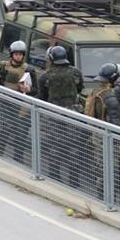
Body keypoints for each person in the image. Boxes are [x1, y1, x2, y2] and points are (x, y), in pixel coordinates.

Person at [38, 45, 84, 186]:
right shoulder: (76, 73)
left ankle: (55, 175)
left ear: (51, 58)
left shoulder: (45, 76)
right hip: (73, 113)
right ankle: (74, 180)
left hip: (54, 114)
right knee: (74, 146)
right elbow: (79, 88)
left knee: (55, 145)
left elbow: (43, 96)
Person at [0, 40, 37, 161]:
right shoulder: (1, 66)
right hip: (5, 103)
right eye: (16, 54)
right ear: (12, 54)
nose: (18, 56)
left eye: (20, 54)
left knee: (21, 133)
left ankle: (18, 158)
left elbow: (36, 90)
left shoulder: (29, 70)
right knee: (5, 128)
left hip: (21, 105)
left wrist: (28, 89)